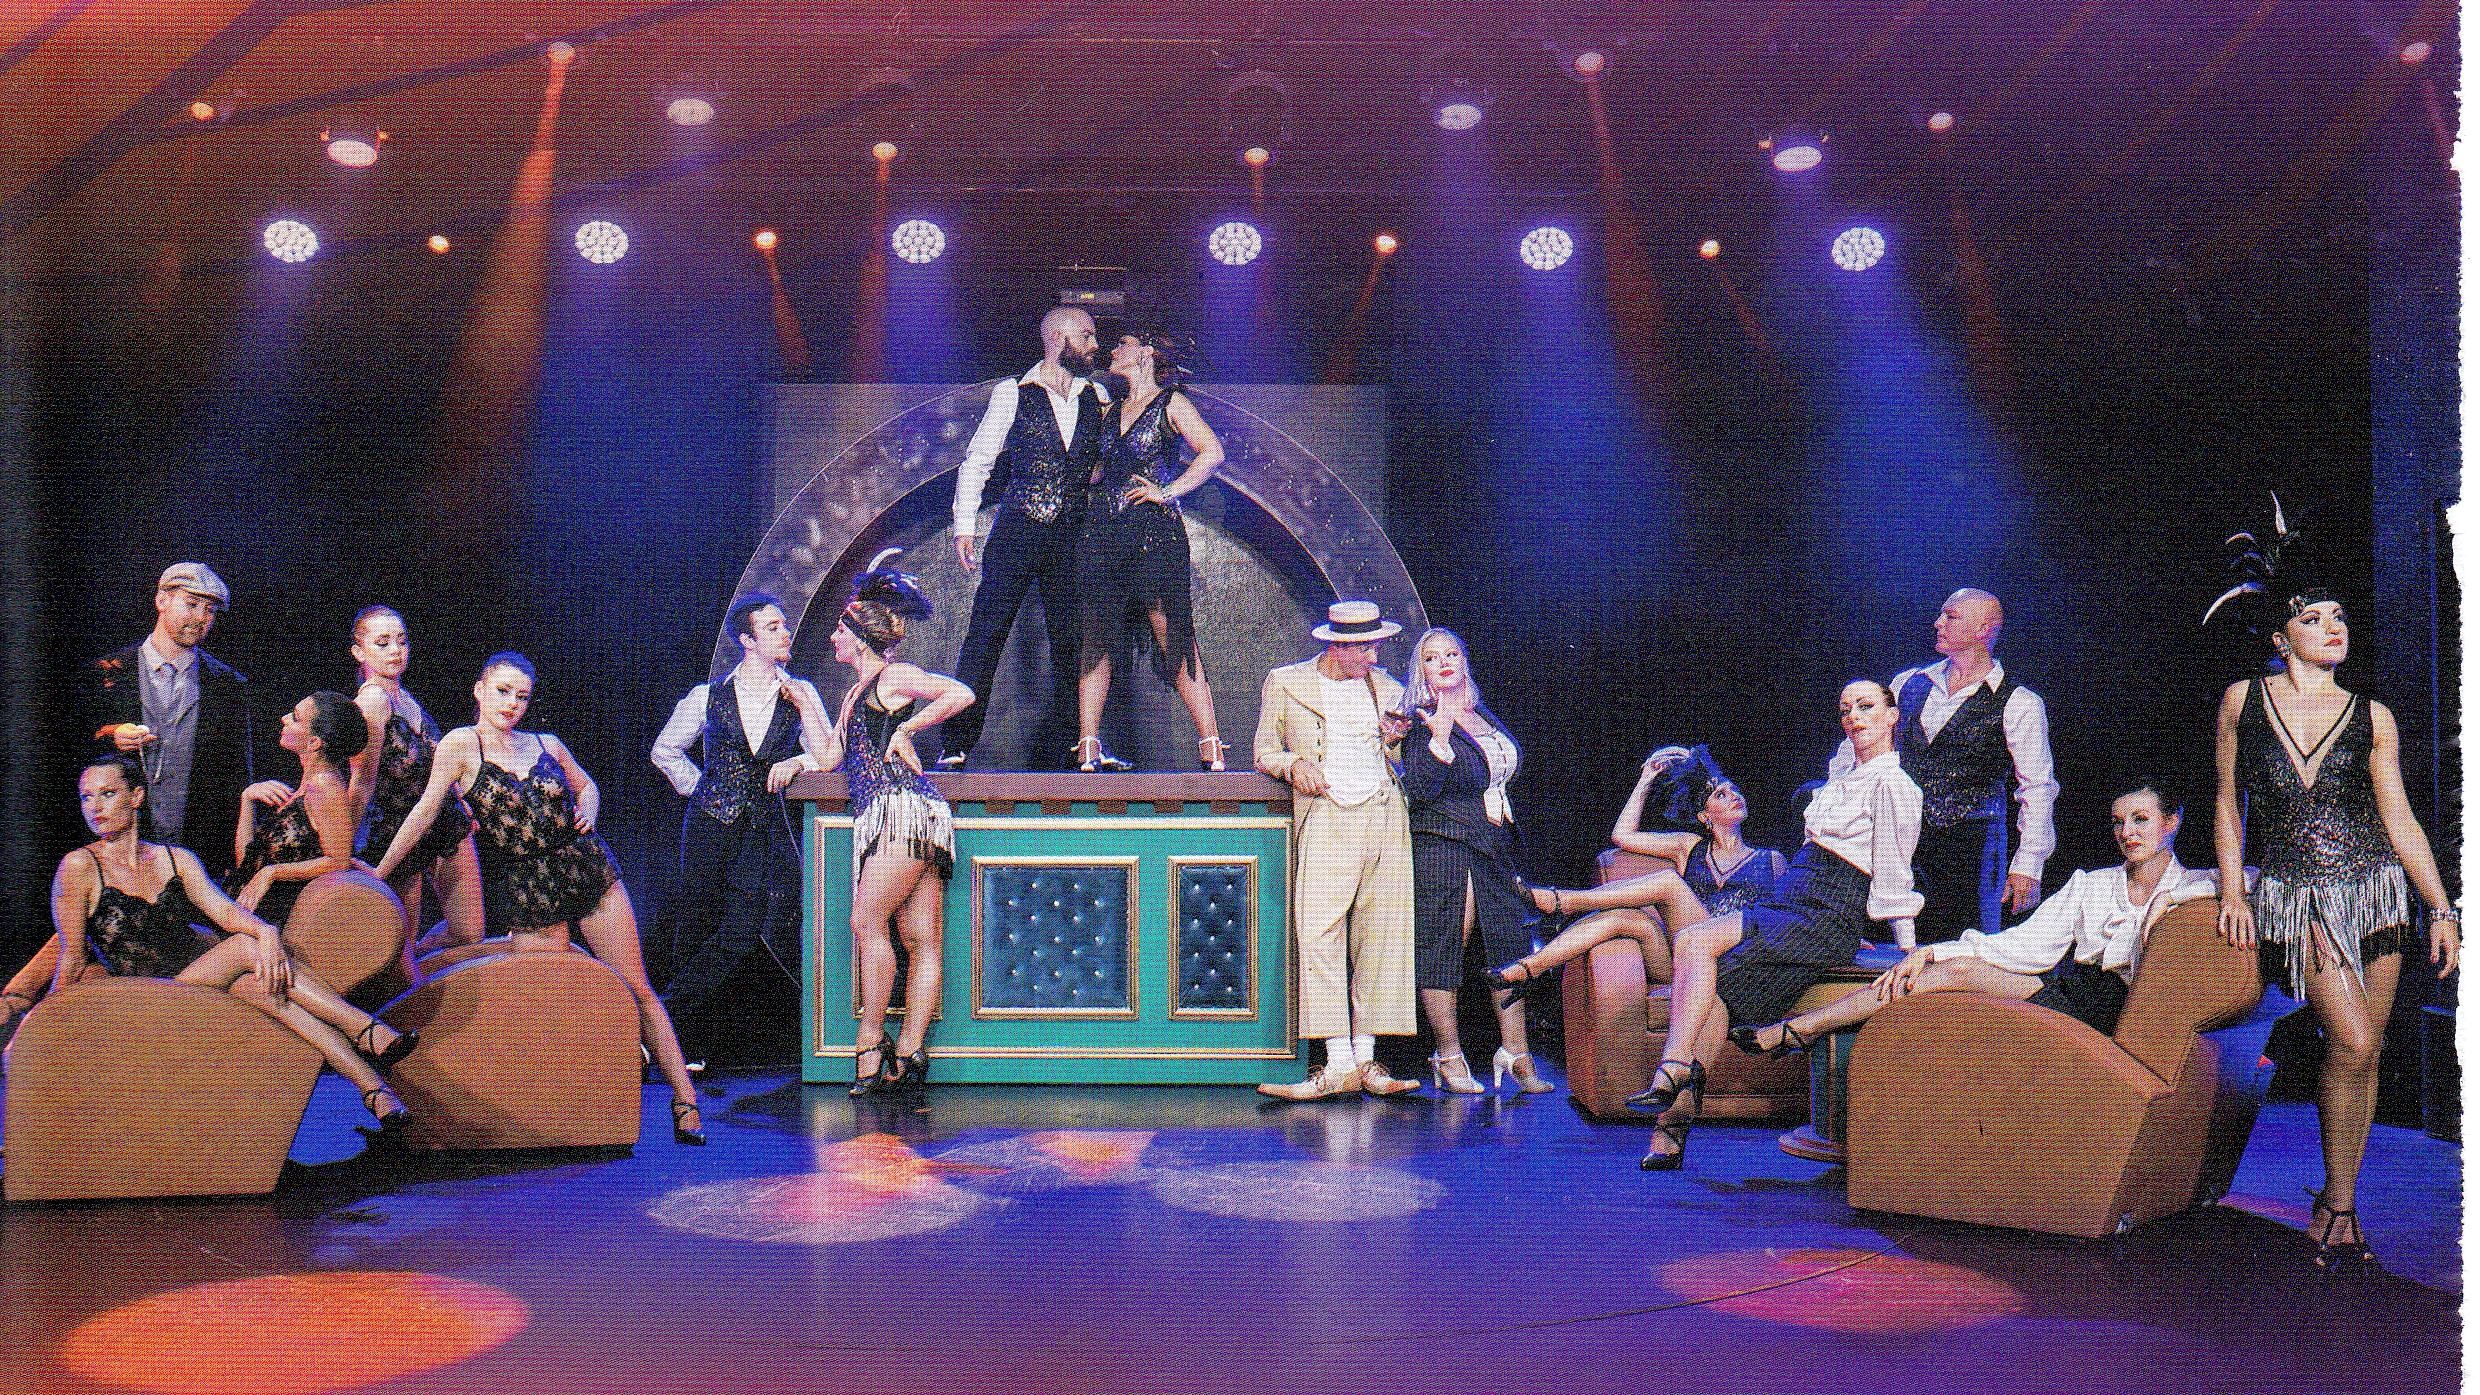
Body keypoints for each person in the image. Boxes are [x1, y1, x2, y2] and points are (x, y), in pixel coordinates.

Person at [2212, 590, 2457, 1271]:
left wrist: (2441, 907)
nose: (2332, 628)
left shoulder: (2372, 716)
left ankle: (2338, 1203)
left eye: (2340, 617)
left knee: (2365, 1054)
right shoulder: (2242, 701)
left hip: (2378, 895)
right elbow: (2228, 802)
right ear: (2281, 638)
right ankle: (2338, 1207)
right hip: (2300, 898)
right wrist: (2233, 889)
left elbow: (2399, 817)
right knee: (2351, 1039)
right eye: (2313, 619)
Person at [372, 654, 709, 1145]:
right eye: (503, 691)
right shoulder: (461, 744)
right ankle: (557, 1107)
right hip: (529, 887)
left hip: (585, 868)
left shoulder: (546, 743)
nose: (512, 703)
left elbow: (587, 786)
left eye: (522, 696)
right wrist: (380, 873)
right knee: (549, 994)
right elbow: (425, 812)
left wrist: (588, 808)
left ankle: (684, 1099)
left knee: (637, 985)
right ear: (479, 690)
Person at [1632, 679, 1922, 1169]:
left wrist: (1907, 949)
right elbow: (1845, 762)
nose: (1853, 716)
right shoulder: (1844, 775)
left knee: (1695, 939)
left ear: (1893, 715)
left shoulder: (1894, 785)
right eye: (1845, 708)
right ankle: (1672, 1130)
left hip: (1825, 912)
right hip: (1792, 900)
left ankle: (1674, 1068)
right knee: (1715, 995)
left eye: (1867, 706)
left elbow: (1895, 872)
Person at [49, 754, 416, 1135]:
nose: (94, 807)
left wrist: (267, 932)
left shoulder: (175, 859)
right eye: (86, 797)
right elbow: (72, 957)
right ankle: (365, 1028)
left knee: (267, 989)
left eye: (107, 794)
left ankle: (374, 1089)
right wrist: (46, 1027)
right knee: (244, 947)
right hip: (148, 1002)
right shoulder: (79, 867)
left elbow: (225, 911)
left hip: (199, 986)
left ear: (137, 796)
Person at [1729, 777, 2214, 1054]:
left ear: (2172, 823)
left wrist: (2173, 900)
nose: (2127, 833)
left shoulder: (2193, 885)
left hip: (2116, 1010)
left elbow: (2245, 878)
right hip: (2069, 992)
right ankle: (1801, 1028)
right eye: (2119, 822)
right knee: (1944, 971)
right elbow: (2023, 943)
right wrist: (1932, 952)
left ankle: (1799, 1029)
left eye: (2141, 820)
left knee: (1951, 977)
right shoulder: (2092, 884)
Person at [1252, 600, 1422, 1100]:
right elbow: (1264, 751)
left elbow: (1399, 759)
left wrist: (1395, 740)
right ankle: (1336, 1063)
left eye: (1376, 647)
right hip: (1327, 814)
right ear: (1338, 646)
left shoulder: (1389, 689)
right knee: (1320, 935)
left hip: (1383, 815)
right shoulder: (1287, 683)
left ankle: (1367, 1060)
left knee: (1381, 935)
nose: (1374, 657)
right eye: (1365, 649)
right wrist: (1294, 765)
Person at [818, 562, 975, 1098]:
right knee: (918, 938)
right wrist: (798, 744)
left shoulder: (892, 676)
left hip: (900, 810)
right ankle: (908, 1055)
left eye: (840, 630)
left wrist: (907, 727)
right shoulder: (854, 694)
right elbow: (831, 757)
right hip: (907, 815)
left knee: (867, 921)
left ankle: (871, 1042)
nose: (833, 637)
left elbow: (960, 694)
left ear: (859, 637)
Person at [650, 592, 833, 1049]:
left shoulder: (802, 693)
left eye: (783, 625)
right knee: (695, 924)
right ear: (747, 640)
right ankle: (685, 1045)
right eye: (773, 627)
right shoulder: (708, 696)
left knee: (742, 931)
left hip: (762, 827)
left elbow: (829, 755)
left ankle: (657, 1020)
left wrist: (797, 762)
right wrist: (702, 787)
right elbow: (665, 750)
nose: (785, 633)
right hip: (708, 824)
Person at [939, 305, 1109, 770]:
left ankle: (1079, 746)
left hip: (1072, 534)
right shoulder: (1012, 392)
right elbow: (979, 459)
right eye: (1087, 335)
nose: (1095, 345)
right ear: (1058, 337)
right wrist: (965, 524)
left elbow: (1098, 464)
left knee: (1073, 641)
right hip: (1018, 528)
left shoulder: (1095, 395)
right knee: (986, 634)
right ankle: (956, 744)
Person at [1835, 588, 2056, 944]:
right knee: (1884, 944)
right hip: (1897, 837)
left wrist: (2029, 863)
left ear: (1983, 629)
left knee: (1960, 950)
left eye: (1950, 616)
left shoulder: (2020, 703)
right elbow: (1856, 749)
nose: (1938, 623)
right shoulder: (1907, 683)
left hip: (1972, 849)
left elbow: (2038, 789)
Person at [1484, 745, 1788, 1002]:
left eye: (1734, 789)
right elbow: (1622, 835)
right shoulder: (1689, 846)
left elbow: (1782, 923)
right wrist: (1646, 779)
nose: (1734, 795)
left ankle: (1563, 901)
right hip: (1685, 961)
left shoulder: (1771, 860)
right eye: (1721, 794)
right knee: (1625, 918)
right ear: (1704, 816)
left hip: (1735, 961)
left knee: (1669, 883)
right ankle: (1530, 969)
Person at [1398, 628, 1548, 1095]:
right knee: (1445, 947)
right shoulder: (1421, 720)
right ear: (1420, 672)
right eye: (1430, 658)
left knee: (1509, 945)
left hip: (1493, 843)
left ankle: (1517, 1053)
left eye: (1451, 653)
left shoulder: (1481, 713)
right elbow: (1419, 790)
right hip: (1446, 843)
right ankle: (1447, 1055)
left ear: (1464, 661)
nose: (1443, 662)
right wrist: (1439, 738)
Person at [1072, 331, 1229, 772]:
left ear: (1146, 353)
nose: (1113, 350)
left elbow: (1212, 452)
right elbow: (1097, 471)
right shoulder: (1108, 410)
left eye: (1123, 343)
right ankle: (1088, 745)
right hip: (1104, 532)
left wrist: (1168, 490)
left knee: (1172, 634)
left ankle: (1211, 744)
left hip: (1153, 534)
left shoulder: (1171, 403)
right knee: (1096, 635)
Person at [76, 562, 256, 878]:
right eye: (191, 604)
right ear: (162, 600)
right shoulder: (108, 673)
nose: (201, 617)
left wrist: (233, 859)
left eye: (210, 610)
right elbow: (70, 751)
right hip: (118, 857)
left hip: (198, 857)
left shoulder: (227, 685)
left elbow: (236, 776)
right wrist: (112, 736)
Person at [348, 606, 486, 959]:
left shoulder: (407, 699)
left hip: (444, 822)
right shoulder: (372, 702)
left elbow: (438, 763)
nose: (395, 650)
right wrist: (341, 845)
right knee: (399, 946)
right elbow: (361, 781)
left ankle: (427, 969)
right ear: (359, 652)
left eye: (401, 641)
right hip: (399, 831)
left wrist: (460, 798)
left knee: (469, 932)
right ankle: (414, 980)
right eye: (382, 643)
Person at [226, 691, 369, 929]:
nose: (284, 718)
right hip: (246, 908)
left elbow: (339, 861)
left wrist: (272, 873)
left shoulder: (325, 787)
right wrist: (248, 799)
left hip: (274, 923)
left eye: (295, 717)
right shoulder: (306, 785)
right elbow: (246, 865)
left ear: (314, 742)